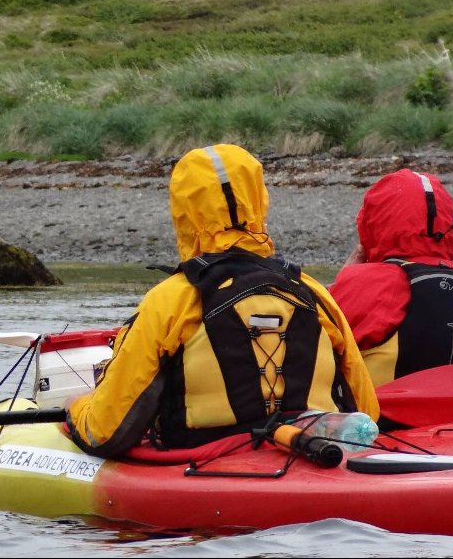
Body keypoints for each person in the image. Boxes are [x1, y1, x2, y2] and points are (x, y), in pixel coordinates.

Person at [66, 144, 379, 458]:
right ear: (259, 201)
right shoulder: (314, 293)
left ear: (184, 210)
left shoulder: (170, 301)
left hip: (202, 465)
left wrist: (76, 407)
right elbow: (368, 414)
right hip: (307, 455)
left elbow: (106, 433)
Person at [328, 168, 453, 387]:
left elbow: (308, 356)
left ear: (371, 225)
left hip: (383, 419)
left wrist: (333, 291)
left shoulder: (358, 286)